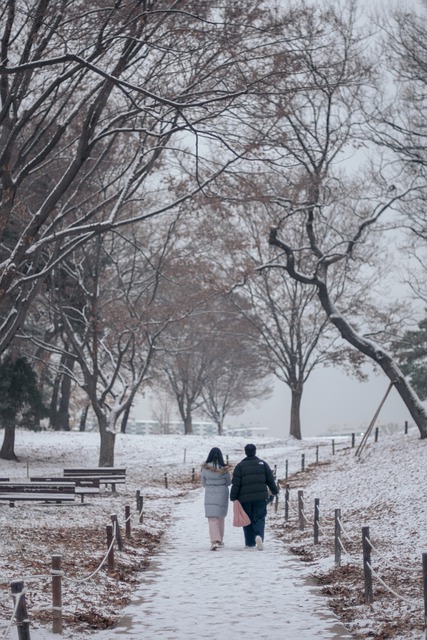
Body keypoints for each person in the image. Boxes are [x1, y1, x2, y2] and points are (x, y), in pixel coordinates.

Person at [230, 443, 278, 550]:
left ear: (246, 452)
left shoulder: (240, 466)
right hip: (260, 497)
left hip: (244, 498)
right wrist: (274, 491)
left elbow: (236, 483)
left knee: (247, 519)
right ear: (255, 452)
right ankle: (259, 536)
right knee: (260, 518)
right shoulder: (263, 464)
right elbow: (270, 480)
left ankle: (249, 543)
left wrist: (233, 497)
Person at [201, 447, 231, 551]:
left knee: (212, 518)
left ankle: (214, 541)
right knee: (220, 518)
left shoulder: (204, 469)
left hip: (210, 494)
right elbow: (229, 482)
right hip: (222, 494)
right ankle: (220, 540)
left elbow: (203, 483)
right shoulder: (225, 469)